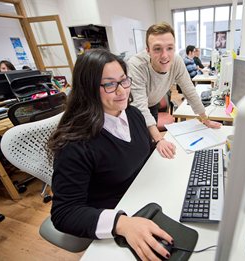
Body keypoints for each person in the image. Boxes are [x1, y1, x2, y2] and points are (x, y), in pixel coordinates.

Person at [48, 49, 173, 261]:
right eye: (109, 84)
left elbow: (136, 152)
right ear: (88, 89)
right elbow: (64, 213)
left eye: (124, 81)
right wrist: (120, 223)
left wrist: (158, 145)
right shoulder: (75, 143)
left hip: (142, 195)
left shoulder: (132, 114)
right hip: (114, 214)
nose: (122, 91)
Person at [128, 22, 221, 159]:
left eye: (169, 48)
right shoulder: (136, 65)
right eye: (157, 49)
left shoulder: (176, 61)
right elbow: (140, 106)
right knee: (140, 147)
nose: (165, 55)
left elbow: (189, 90)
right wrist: (160, 139)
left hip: (152, 104)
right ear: (148, 50)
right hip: (133, 109)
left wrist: (205, 119)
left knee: (151, 144)